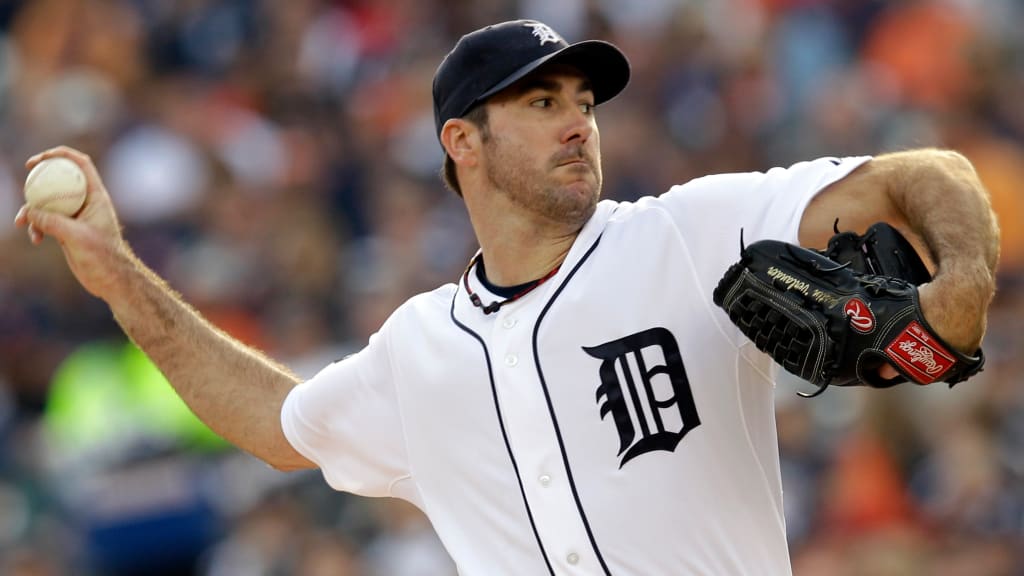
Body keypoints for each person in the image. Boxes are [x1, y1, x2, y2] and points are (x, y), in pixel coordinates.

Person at [15, 19, 999, 576]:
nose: (577, 123)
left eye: (582, 102)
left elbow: (924, 173)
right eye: (540, 103)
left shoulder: (690, 231)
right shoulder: (418, 350)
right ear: (461, 143)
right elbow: (276, 424)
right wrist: (118, 279)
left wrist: (958, 285)